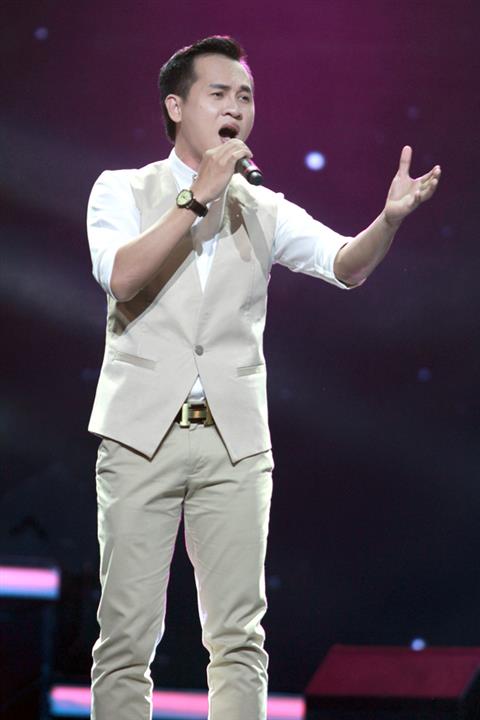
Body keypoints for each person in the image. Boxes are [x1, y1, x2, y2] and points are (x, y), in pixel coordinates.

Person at [86, 35, 440, 720]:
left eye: (245, 96)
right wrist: (196, 197)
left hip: (234, 444)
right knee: (125, 640)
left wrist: (388, 221)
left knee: (239, 640)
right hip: (138, 435)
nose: (236, 108)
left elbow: (345, 264)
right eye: (219, 93)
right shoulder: (122, 189)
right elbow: (122, 277)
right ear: (176, 107)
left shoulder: (263, 206)